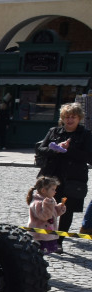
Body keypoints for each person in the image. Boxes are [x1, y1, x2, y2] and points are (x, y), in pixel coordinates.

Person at [36, 102, 92, 243]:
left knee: (66, 210)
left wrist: (69, 149)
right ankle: (45, 237)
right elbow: (40, 149)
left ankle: (59, 241)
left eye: (73, 117)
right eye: (66, 117)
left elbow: (88, 156)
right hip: (51, 177)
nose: (69, 120)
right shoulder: (54, 131)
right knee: (47, 208)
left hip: (73, 178)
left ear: (79, 118)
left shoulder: (85, 134)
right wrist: (55, 149)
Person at [26, 175, 67, 254]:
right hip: (39, 236)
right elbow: (44, 217)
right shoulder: (37, 203)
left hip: (48, 234)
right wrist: (48, 205)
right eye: (53, 189)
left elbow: (53, 213)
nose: (55, 192)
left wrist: (59, 208)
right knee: (38, 254)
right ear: (44, 190)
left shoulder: (50, 199)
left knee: (45, 254)